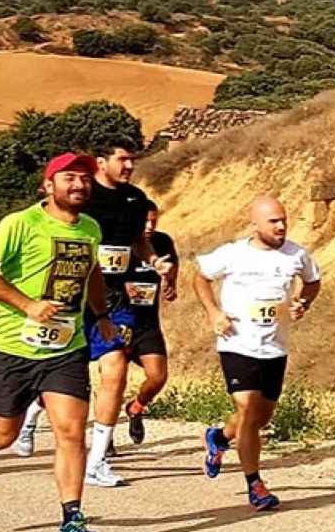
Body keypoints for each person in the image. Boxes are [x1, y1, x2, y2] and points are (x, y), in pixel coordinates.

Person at [0, 153, 117, 532]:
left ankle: (72, 521)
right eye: (69, 178)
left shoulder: (91, 228)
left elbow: (92, 272)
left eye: (84, 179)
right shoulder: (19, 224)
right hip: (13, 347)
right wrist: (28, 304)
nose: (79, 185)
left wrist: (101, 315)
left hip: (66, 347)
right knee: (4, 432)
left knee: (70, 430)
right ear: (49, 185)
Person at [193, 195, 321, 511]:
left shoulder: (296, 254)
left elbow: (313, 282)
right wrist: (213, 312)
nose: (281, 226)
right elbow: (201, 277)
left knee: (260, 417)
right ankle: (255, 484)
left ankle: (220, 438)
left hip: (274, 346)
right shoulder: (234, 254)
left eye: (283, 220)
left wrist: (302, 303)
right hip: (237, 341)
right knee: (248, 408)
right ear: (255, 224)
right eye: (273, 221)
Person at [78, 137, 171, 487]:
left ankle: (97, 459)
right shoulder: (84, 196)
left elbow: (138, 242)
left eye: (133, 160)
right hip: (75, 296)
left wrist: (153, 261)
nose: (129, 166)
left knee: (115, 366)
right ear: (101, 163)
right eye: (122, 160)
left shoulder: (135, 200)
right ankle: (31, 415)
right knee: (66, 371)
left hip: (114, 299)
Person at [115, 200, 179, 443]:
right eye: (145, 221)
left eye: (155, 220)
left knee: (158, 376)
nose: (150, 226)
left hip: (147, 323)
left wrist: (170, 284)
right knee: (115, 380)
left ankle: (135, 408)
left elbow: (172, 264)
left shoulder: (162, 242)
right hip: (119, 320)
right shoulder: (118, 243)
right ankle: (106, 437)